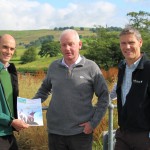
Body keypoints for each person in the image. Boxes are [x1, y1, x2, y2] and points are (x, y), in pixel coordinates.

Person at [33, 29, 109, 150]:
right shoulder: (54, 66)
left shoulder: (91, 67)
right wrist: (29, 108)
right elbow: (44, 90)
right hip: (55, 132)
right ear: (60, 47)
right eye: (64, 45)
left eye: (71, 44)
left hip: (81, 133)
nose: (67, 48)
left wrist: (93, 123)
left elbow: (104, 96)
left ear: (79, 45)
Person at [114, 27, 150, 150]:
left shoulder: (148, 68)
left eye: (131, 42)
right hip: (123, 133)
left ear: (140, 43)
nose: (127, 47)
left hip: (144, 136)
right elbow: (116, 91)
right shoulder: (122, 67)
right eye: (123, 43)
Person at [0, 34, 29, 150]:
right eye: (5, 47)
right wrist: (11, 121)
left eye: (12, 49)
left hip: (8, 132)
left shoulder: (9, 71)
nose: (8, 52)